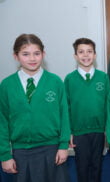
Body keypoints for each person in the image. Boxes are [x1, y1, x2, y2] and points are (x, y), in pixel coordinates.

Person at [0, 34, 70, 182]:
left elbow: (65, 116)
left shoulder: (55, 82)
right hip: (21, 151)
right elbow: (2, 122)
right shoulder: (7, 85)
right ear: (16, 56)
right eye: (25, 54)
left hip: (51, 149)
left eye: (36, 53)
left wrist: (63, 146)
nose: (32, 58)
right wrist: (5, 155)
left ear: (43, 55)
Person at [64, 38, 110, 182]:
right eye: (81, 52)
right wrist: (69, 132)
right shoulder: (69, 79)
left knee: (97, 164)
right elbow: (66, 107)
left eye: (89, 51)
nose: (86, 55)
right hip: (79, 132)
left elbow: (108, 105)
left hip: (99, 131)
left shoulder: (103, 77)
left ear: (95, 55)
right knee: (82, 166)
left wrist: (108, 129)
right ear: (75, 56)